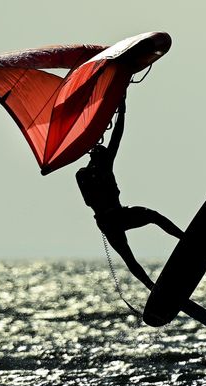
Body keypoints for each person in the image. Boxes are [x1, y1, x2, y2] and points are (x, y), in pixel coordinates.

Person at [76, 95, 184, 290]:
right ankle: (153, 285)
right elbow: (88, 201)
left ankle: (183, 240)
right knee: (131, 251)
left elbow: (117, 135)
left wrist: (121, 110)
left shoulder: (103, 165)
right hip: (111, 220)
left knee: (151, 219)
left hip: (114, 218)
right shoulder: (84, 174)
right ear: (93, 155)